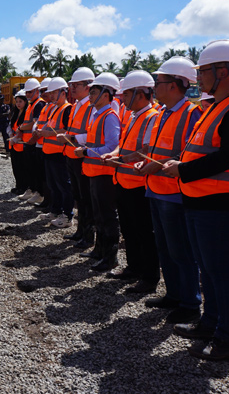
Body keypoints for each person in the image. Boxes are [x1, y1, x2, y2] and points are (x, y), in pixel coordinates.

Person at [164, 40, 229, 361]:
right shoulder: (214, 107)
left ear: (223, 71)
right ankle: (211, 324)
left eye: (203, 71)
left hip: (223, 205)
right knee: (208, 270)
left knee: (222, 273)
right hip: (201, 202)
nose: (199, 77)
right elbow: (201, 149)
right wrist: (180, 163)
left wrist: (183, 169)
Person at [134, 56, 202, 325]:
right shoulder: (163, 113)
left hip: (174, 193)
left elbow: (185, 154)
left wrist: (154, 165)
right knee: (165, 248)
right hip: (156, 189)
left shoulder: (191, 113)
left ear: (174, 85)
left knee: (181, 250)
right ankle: (174, 294)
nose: (155, 87)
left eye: (159, 82)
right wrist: (146, 162)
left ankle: (190, 302)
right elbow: (154, 149)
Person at [102, 70, 160, 293]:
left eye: (126, 94)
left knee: (144, 231)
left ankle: (149, 276)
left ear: (139, 93)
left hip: (138, 185)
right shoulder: (136, 116)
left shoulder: (151, 116)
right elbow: (125, 144)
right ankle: (134, 268)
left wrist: (120, 160)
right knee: (130, 229)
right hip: (125, 182)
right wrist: (116, 155)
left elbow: (145, 151)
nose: (122, 99)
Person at [73, 72, 121, 272]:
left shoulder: (109, 117)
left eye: (94, 92)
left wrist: (85, 151)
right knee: (99, 216)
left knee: (106, 216)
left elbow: (112, 147)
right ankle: (99, 251)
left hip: (104, 174)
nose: (90, 96)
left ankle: (110, 257)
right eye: (90, 92)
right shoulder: (98, 115)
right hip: (94, 172)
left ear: (106, 94)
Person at [58, 67, 95, 245]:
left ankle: (88, 236)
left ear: (88, 86)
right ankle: (81, 232)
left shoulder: (91, 107)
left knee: (85, 199)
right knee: (79, 197)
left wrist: (72, 138)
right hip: (71, 155)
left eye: (76, 85)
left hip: (82, 156)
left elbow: (93, 134)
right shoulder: (76, 106)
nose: (72, 88)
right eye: (71, 85)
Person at [35, 77, 74, 228]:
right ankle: (55, 210)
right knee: (53, 185)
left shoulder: (67, 108)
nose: (50, 95)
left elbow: (65, 130)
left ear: (63, 92)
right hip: (50, 152)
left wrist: (47, 134)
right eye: (50, 93)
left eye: (54, 92)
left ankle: (67, 215)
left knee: (63, 185)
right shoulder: (54, 108)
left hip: (59, 153)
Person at [16, 78, 46, 204]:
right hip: (28, 142)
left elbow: (34, 123)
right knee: (30, 170)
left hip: (34, 142)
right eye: (27, 92)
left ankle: (38, 192)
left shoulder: (39, 104)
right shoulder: (31, 104)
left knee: (36, 171)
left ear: (37, 91)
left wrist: (21, 127)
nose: (27, 95)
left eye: (30, 92)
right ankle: (33, 190)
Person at [8, 90, 29, 195]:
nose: (18, 104)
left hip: (21, 145)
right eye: (16, 102)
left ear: (25, 102)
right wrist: (11, 135)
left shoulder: (26, 114)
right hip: (13, 144)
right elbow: (10, 126)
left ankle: (24, 187)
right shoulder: (15, 113)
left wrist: (15, 138)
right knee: (15, 167)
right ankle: (18, 185)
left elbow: (24, 129)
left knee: (22, 168)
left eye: (20, 101)